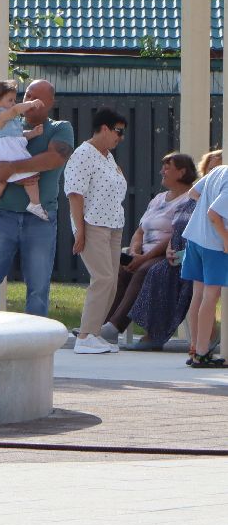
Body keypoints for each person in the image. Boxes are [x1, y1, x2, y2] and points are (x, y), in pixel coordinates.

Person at [0, 80, 74, 318]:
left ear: (51, 103)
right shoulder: (5, 125)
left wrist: (12, 168)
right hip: (4, 216)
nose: (29, 102)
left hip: (40, 220)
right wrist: (15, 176)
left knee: (38, 287)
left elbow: (55, 158)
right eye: (27, 95)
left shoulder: (60, 128)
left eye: (37, 98)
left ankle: (34, 342)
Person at [101, 152, 195, 346]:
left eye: (167, 167)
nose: (162, 171)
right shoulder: (159, 199)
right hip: (144, 253)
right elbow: (140, 230)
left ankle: (113, 327)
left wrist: (143, 259)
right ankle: (101, 325)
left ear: (182, 172)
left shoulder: (188, 200)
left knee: (143, 271)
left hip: (166, 255)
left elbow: (174, 235)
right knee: (120, 271)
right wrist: (135, 251)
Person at [131, 155, 214, 351]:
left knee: (154, 272)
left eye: (216, 170)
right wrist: (138, 250)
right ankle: (109, 325)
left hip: (196, 257)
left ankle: (162, 335)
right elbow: (176, 229)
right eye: (209, 171)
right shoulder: (192, 198)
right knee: (123, 270)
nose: (212, 176)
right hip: (179, 256)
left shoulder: (203, 199)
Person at [64, 109, 129, 353]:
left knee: (111, 282)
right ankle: (84, 336)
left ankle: (94, 332)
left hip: (113, 225)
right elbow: (75, 194)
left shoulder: (107, 157)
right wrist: (80, 230)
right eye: (118, 132)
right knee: (102, 278)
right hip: (93, 224)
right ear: (103, 128)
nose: (120, 137)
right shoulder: (83, 154)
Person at [0, 78, 49, 235]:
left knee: (0, 184)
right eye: (10, 100)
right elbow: (15, 111)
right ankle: (34, 203)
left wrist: (33, 133)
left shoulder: (12, 121)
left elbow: (19, 137)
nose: (14, 103)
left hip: (7, 151)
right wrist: (31, 103)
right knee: (31, 176)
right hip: (5, 153)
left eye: (15, 100)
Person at [181, 148, 228, 367]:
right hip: (214, 245)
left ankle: (194, 349)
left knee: (197, 295)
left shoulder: (219, 170)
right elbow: (214, 213)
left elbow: (193, 193)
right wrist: (226, 239)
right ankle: (202, 353)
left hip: (194, 238)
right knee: (211, 297)